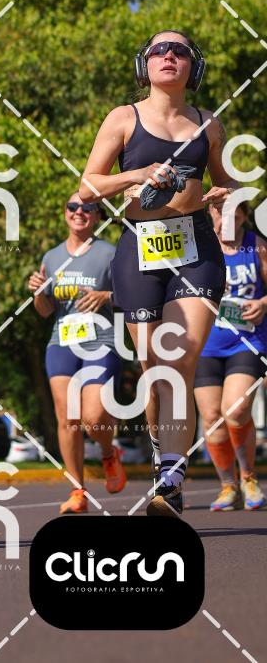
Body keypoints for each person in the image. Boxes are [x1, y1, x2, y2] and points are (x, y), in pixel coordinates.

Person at [80, 30, 237, 517]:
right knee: (153, 369)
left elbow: (225, 181)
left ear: (194, 66)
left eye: (180, 51)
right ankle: (160, 454)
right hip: (139, 248)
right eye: (159, 51)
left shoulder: (209, 124)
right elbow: (87, 187)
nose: (169, 56)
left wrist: (223, 195)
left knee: (178, 360)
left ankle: (171, 479)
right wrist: (135, 174)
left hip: (196, 249)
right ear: (144, 64)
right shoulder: (123, 118)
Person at [28, 193, 126, 514]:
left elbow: (132, 295)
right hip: (62, 342)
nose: (79, 212)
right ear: (65, 212)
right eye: (73, 207)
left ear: (97, 216)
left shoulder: (110, 253)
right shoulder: (53, 256)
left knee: (94, 418)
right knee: (68, 419)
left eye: (87, 208)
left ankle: (108, 452)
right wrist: (39, 293)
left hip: (101, 340)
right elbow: (45, 310)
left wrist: (106, 295)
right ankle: (77, 491)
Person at [195, 202, 267, 511]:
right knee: (212, 417)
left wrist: (263, 303)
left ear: (243, 216)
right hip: (206, 344)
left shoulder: (256, 246)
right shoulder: (200, 246)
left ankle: (249, 477)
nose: (225, 218)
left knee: (235, 409)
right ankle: (228, 486)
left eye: (233, 212)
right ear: (210, 213)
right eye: (219, 211)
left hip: (248, 342)